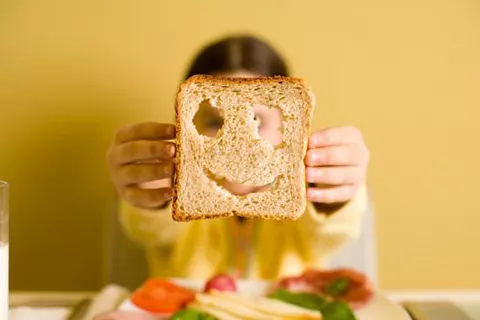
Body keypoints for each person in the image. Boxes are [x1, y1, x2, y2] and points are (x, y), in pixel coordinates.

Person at [107, 35, 370, 281]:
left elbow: (332, 230)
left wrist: (332, 195)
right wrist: (150, 197)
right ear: (186, 123)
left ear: (289, 125)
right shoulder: (180, 193)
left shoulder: (300, 202)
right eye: (213, 122)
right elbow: (150, 229)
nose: (238, 144)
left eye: (257, 120)